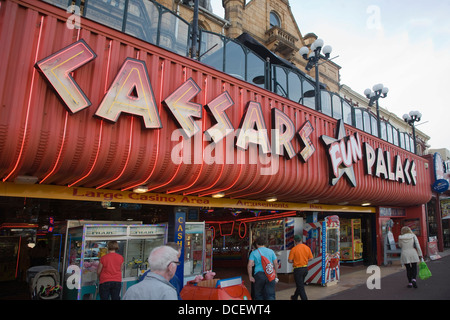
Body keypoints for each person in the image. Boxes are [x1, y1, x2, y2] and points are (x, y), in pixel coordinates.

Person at [288, 235, 313, 300]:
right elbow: (311, 258)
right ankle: (294, 297)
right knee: (300, 285)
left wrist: (296, 260)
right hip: (305, 269)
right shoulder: (307, 248)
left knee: (300, 286)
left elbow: (290, 260)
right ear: (301, 240)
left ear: (294, 241)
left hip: (298, 270)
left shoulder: (294, 249)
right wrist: (304, 260)